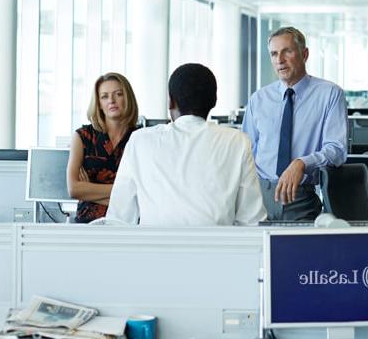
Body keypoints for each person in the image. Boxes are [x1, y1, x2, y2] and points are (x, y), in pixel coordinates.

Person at [105, 63, 266, 226]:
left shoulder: (140, 141)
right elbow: (251, 220)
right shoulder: (237, 141)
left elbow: (119, 218)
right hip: (217, 249)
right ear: (214, 101)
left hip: (154, 249)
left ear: (170, 102)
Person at [242, 27, 347, 221]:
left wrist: (302, 163)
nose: (279, 60)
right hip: (258, 199)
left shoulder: (330, 94)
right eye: (274, 53)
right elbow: (247, 151)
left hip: (300, 198)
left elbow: (337, 149)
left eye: (287, 51)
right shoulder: (258, 99)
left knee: (299, 251)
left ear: (304, 54)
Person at [66, 72, 141, 223]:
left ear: (128, 98)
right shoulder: (82, 137)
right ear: (98, 103)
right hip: (88, 225)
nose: (111, 100)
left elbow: (144, 193)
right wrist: (125, 193)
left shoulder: (141, 138)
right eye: (104, 96)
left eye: (118, 94)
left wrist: (89, 190)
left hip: (126, 225)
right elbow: (74, 189)